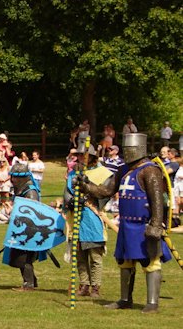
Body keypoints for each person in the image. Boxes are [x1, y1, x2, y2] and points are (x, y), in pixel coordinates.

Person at [80, 133, 171, 313]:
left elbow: (158, 201)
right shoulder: (123, 169)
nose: (128, 152)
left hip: (143, 225)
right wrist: (86, 186)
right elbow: (106, 190)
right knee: (125, 261)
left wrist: (155, 224)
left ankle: (152, 302)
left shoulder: (150, 170)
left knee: (149, 261)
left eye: (130, 149)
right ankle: (124, 299)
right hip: (126, 225)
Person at [65, 144, 110, 299]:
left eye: (84, 155)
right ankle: (84, 285)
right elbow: (67, 194)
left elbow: (105, 194)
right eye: (79, 155)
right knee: (80, 256)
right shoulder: (73, 173)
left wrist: (89, 190)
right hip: (77, 219)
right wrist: (70, 202)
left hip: (93, 218)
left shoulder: (101, 173)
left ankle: (95, 287)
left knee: (95, 257)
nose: (80, 158)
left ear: (91, 157)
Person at [3, 161, 44, 291]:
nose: (13, 180)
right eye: (12, 176)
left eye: (15, 177)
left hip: (29, 230)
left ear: (22, 178)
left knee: (24, 256)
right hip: (22, 228)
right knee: (20, 255)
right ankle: (32, 281)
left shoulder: (30, 192)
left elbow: (31, 213)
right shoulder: (22, 190)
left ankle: (29, 284)